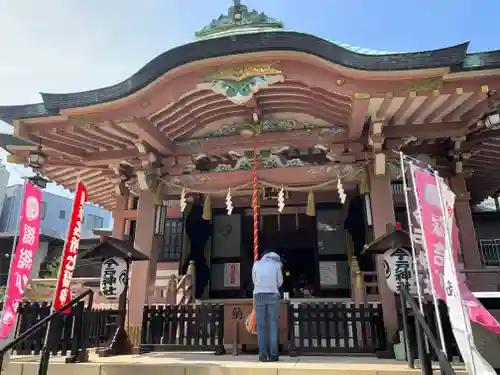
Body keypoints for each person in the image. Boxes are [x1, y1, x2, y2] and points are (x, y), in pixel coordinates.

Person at [252, 249, 283, 362]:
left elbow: (254, 281)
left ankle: (262, 355)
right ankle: (274, 354)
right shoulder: (276, 265)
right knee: (273, 324)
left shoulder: (256, 264)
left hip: (259, 295)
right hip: (273, 295)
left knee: (261, 325)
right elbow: (280, 282)